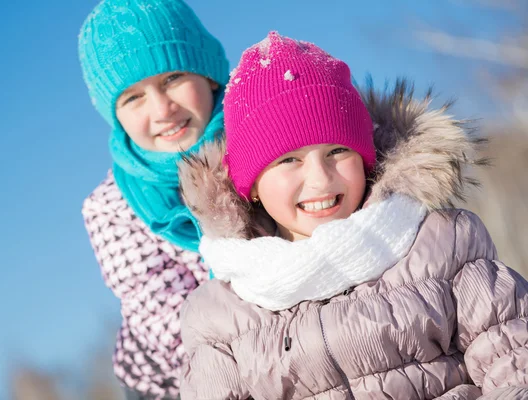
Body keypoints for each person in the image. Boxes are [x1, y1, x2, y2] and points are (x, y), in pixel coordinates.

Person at [178, 31, 528, 399]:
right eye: (288, 160)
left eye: (337, 151)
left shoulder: (443, 246)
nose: (320, 178)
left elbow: (515, 364)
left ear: (365, 158)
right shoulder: (221, 318)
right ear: (249, 185)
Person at [77, 0, 228, 397]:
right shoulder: (112, 209)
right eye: (133, 98)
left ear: (209, 73)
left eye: (173, 77)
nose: (162, 109)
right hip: (171, 381)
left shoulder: (270, 130)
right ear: (115, 115)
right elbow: (180, 330)